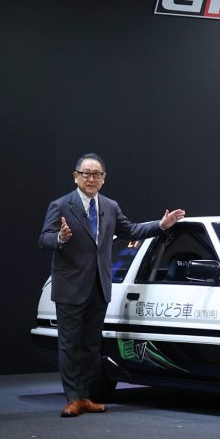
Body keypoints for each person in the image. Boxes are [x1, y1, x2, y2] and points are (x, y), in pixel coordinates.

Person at [38, 153, 185, 417]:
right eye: (86, 173)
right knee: (70, 345)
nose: (91, 178)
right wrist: (60, 237)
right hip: (70, 287)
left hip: (99, 286)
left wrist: (161, 225)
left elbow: (132, 231)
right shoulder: (61, 205)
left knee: (91, 346)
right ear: (76, 176)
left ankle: (85, 396)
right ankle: (73, 398)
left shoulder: (109, 206)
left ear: (104, 179)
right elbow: (44, 238)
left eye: (97, 174)